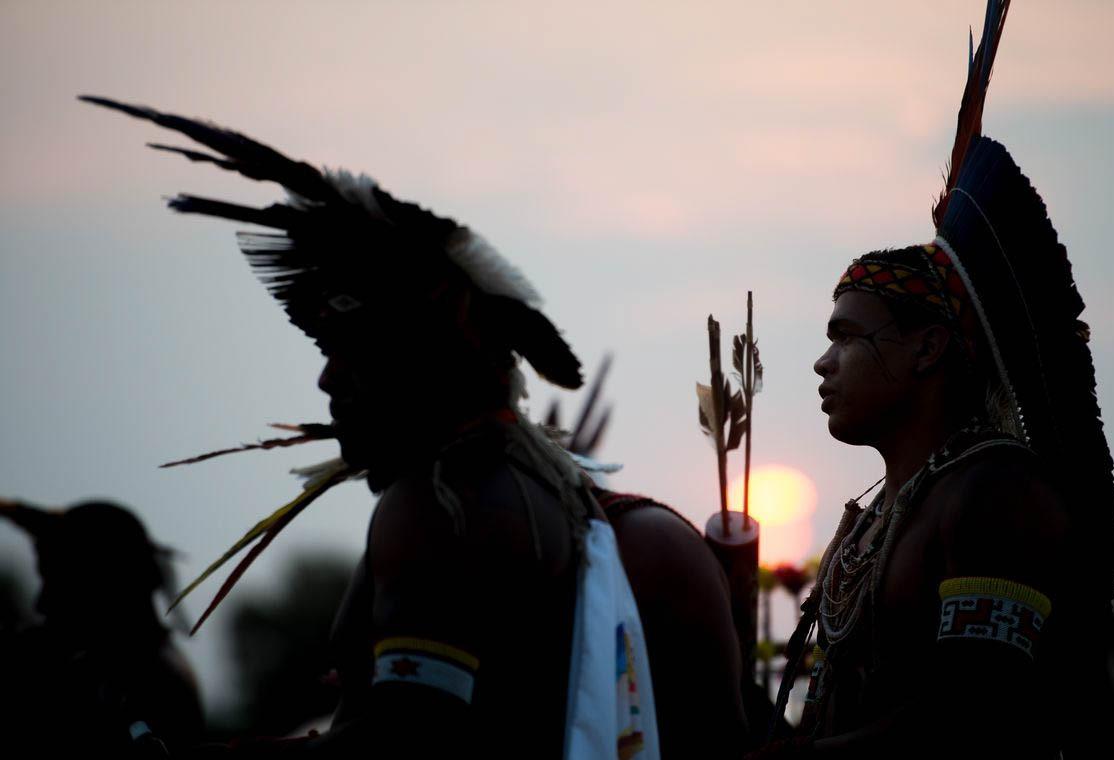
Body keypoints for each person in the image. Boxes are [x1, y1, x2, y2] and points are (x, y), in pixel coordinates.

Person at [83, 95, 746, 758]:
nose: (328, 380)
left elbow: (401, 745)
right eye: (325, 350)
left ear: (428, 366)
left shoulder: (440, 510)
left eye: (354, 351)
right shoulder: (601, 524)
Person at [757, 1, 1114, 757]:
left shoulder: (995, 498)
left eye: (846, 339)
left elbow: (973, 719)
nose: (823, 365)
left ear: (928, 350)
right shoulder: (876, 518)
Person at [0, 498, 204, 756]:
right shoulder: (145, 668)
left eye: (59, 582)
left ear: (106, 581)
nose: (42, 603)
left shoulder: (140, 684)